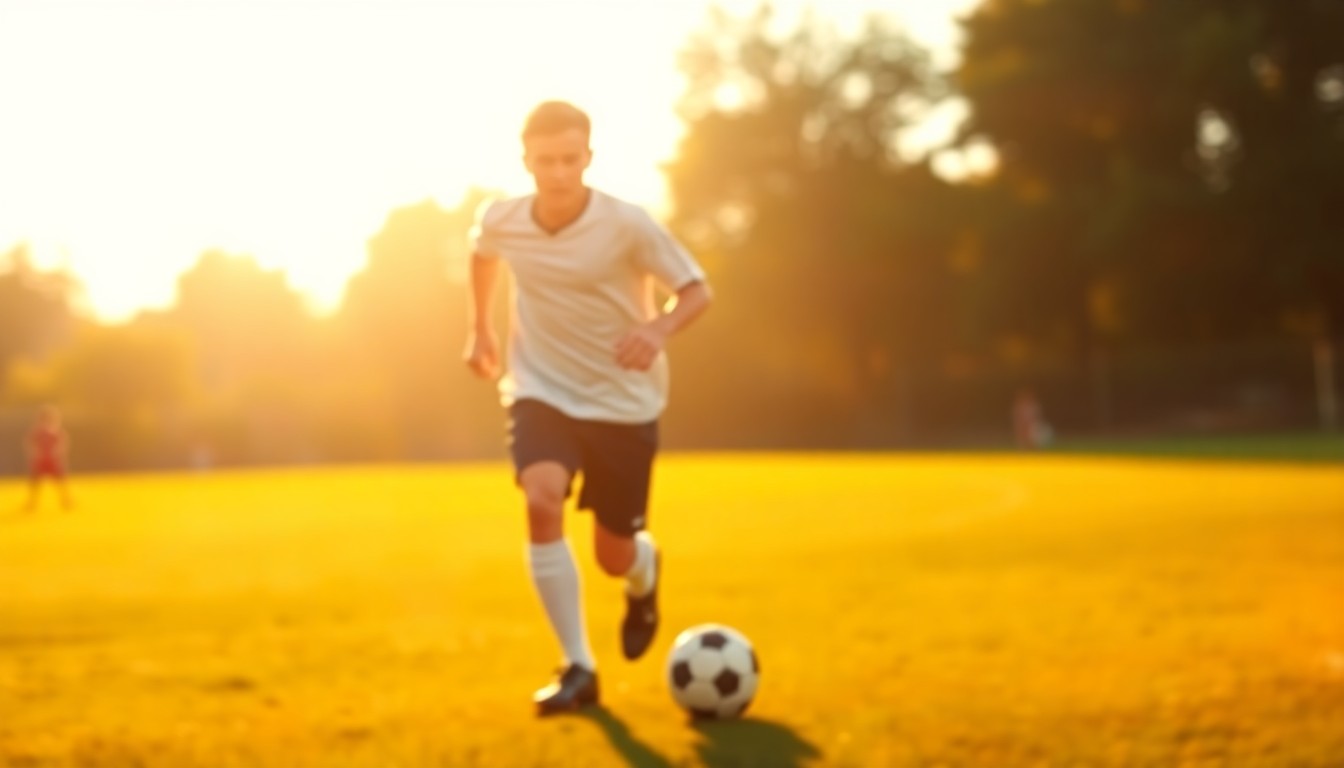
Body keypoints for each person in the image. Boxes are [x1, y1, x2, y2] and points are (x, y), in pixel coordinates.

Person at [464, 100, 712, 715]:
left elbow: (697, 289)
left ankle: (643, 571)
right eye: (545, 161)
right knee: (541, 498)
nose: (557, 173)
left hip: (623, 403)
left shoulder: (627, 224)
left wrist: (656, 331)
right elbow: (482, 253)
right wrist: (481, 328)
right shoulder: (503, 219)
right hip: (541, 390)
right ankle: (579, 666)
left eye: (569, 159)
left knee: (612, 555)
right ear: (526, 160)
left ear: (588, 158)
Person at [24, 404, 73, 510]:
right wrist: (35, 453)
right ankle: (32, 503)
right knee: (35, 483)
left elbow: (62, 444)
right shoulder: (37, 432)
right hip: (41, 461)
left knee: (60, 482)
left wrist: (57, 454)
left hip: (53, 461)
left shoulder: (56, 432)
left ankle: (66, 501)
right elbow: (30, 443)